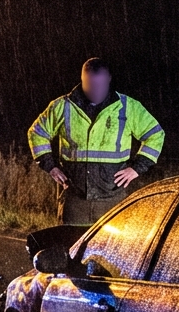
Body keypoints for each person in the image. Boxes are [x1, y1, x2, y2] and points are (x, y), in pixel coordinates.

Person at [27, 58, 165, 225]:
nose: (95, 91)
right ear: (82, 79)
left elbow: (155, 135)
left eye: (100, 85)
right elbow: (37, 133)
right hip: (74, 199)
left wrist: (137, 168)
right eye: (90, 85)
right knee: (70, 241)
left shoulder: (128, 107)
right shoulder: (63, 106)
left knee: (112, 242)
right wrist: (51, 167)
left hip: (112, 199)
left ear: (109, 80)